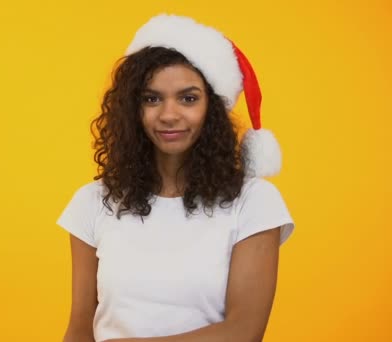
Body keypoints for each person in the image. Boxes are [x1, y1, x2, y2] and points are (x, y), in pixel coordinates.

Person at [57, 14, 295, 342]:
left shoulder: (254, 201)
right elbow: (80, 330)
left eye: (188, 98)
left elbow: (243, 332)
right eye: (152, 98)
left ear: (212, 108)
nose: (169, 115)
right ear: (132, 109)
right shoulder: (93, 202)